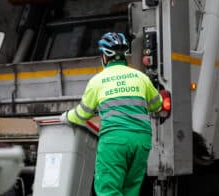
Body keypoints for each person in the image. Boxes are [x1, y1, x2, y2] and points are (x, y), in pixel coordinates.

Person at [61, 32, 162, 196]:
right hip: (141, 142)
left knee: (108, 190)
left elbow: (82, 115)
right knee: (130, 190)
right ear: (124, 55)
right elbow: (157, 106)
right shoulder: (141, 77)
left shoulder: (97, 81)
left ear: (105, 57)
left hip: (115, 142)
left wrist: (65, 117)